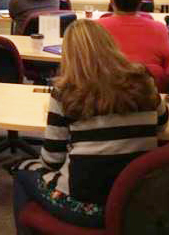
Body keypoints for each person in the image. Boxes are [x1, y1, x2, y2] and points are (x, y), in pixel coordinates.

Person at [12, 19, 168, 234]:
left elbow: (51, 161)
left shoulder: (65, 92)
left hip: (87, 208)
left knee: (22, 171)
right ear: (110, 45)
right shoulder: (143, 80)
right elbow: (161, 125)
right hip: (136, 202)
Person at [98, 0, 169, 92]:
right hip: (149, 99)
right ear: (141, 0)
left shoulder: (95, 29)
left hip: (105, 99)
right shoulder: (160, 29)